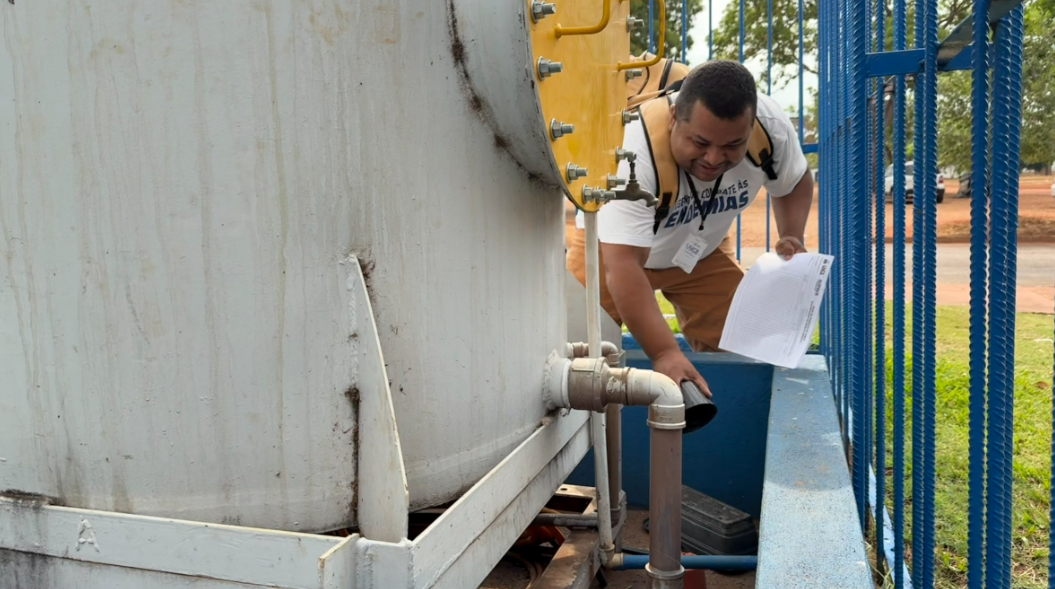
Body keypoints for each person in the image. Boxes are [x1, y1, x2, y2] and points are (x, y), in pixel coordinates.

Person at [566, 60, 814, 396]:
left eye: (732, 146)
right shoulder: (632, 150)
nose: (713, 158)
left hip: (700, 252)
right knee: (574, 356)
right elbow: (622, 265)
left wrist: (791, 234)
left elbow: (793, 181)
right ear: (673, 118)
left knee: (745, 350)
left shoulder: (769, 127)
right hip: (608, 252)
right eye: (700, 142)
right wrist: (665, 353)